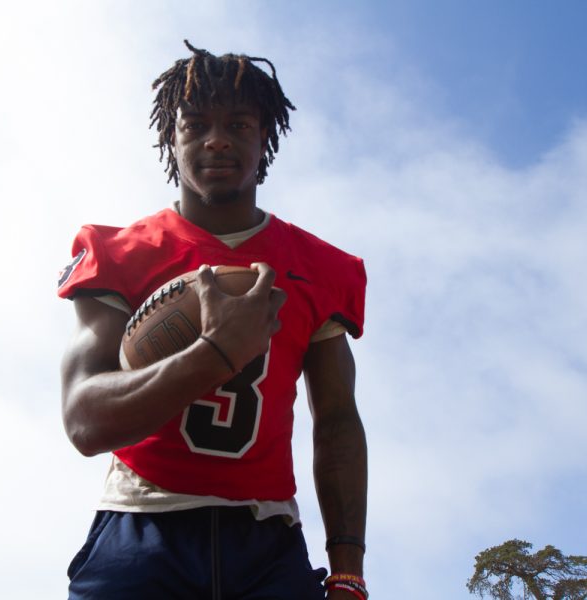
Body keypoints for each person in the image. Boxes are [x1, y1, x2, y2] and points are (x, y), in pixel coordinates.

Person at [58, 40, 368, 600]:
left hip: (267, 537)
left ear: (265, 136)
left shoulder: (319, 267)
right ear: (169, 137)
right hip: (142, 523)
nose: (217, 139)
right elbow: (85, 421)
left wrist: (347, 569)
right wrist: (217, 353)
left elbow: (338, 421)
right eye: (195, 123)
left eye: (239, 125)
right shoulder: (120, 252)